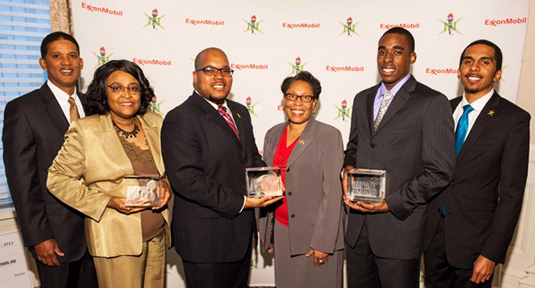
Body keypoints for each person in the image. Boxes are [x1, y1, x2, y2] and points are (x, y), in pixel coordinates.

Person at [342, 27, 455, 287]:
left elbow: (440, 171)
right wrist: (346, 170)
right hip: (358, 231)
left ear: (412, 57)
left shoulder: (432, 102)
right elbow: (355, 146)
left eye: (397, 51)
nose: (387, 58)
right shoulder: (362, 99)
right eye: (382, 51)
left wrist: (390, 203)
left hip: (399, 231)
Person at [161, 47, 281, 288]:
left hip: (240, 236)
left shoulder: (239, 112)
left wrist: (267, 179)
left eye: (225, 70)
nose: (219, 76)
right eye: (210, 70)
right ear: (195, 77)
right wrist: (243, 202)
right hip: (205, 241)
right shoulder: (180, 118)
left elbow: (249, 160)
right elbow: (186, 180)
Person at [47, 60, 171, 288]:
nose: (127, 95)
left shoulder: (155, 123)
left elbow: (168, 171)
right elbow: (58, 179)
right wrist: (108, 201)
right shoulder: (86, 130)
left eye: (133, 88)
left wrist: (166, 187)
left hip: (157, 236)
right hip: (115, 240)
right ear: (104, 92)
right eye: (117, 88)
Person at [424, 40, 530, 287]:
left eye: (485, 62)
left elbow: (512, 195)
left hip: (476, 246)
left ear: (498, 73)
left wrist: (491, 254)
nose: (474, 68)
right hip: (432, 240)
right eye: (468, 61)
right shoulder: (441, 110)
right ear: (459, 71)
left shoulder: (513, 120)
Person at [3, 31, 97, 288]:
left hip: (99, 233)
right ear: (44, 63)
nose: (66, 62)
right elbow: (22, 181)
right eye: (57, 56)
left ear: (81, 62)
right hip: (56, 238)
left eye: (72, 56)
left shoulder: (95, 107)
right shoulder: (23, 109)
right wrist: (39, 237)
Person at [259, 71, 345, 288]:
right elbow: (267, 185)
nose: (298, 102)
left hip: (316, 236)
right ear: (284, 100)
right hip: (282, 230)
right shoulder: (272, 134)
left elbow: (333, 193)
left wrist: (323, 243)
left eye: (305, 97)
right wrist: (268, 233)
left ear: (314, 103)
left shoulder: (329, 136)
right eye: (292, 96)